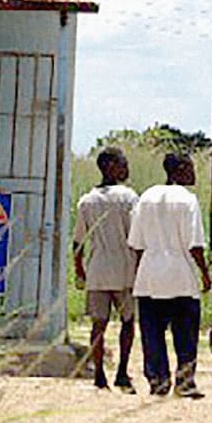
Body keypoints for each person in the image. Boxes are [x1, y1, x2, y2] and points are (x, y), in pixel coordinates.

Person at [127, 152, 212, 398]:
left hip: (150, 275)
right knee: (185, 333)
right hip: (181, 275)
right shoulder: (188, 200)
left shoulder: (147, 197)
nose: (193, 174)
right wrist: (205, 273)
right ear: (181, 169)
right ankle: (185, 381)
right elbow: (195, 244)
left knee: (152, 333)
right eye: (191, 168)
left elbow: (137, 243)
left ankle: (157, 379)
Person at [73, 147, 139, 392]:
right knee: (128, 321)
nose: (126, 168)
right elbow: (136, 236)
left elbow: (78, 241)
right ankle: (122, 372)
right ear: (111, 166)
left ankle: (99, 374)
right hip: (125, 268)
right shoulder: (129, 198)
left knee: (98, 324)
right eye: (122, 163)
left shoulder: (87, 201)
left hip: (98, 269)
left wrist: (79, 269)